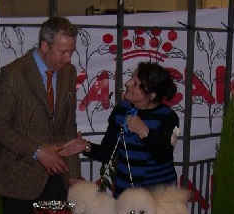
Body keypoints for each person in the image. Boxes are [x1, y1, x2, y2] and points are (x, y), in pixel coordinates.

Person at [0, 17, 82, 214]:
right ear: (44, 46)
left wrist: (73, 174)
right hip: (17, 175)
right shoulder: (13, 73)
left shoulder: (69, 73)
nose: (68, 59)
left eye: (71, 52)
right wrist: (38, 152)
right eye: (63, 52)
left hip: (57, 174)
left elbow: (69, 125)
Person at [60, 61, 179, 197]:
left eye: (135, 84)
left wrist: (144, 132)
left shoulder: (168, 116)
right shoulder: (121, 110)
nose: (127, 84)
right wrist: (85, 146)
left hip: (160, 197)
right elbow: (108, 152)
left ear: (151, 95)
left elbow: (164, 155)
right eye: (131, 78)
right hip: (126, 195)